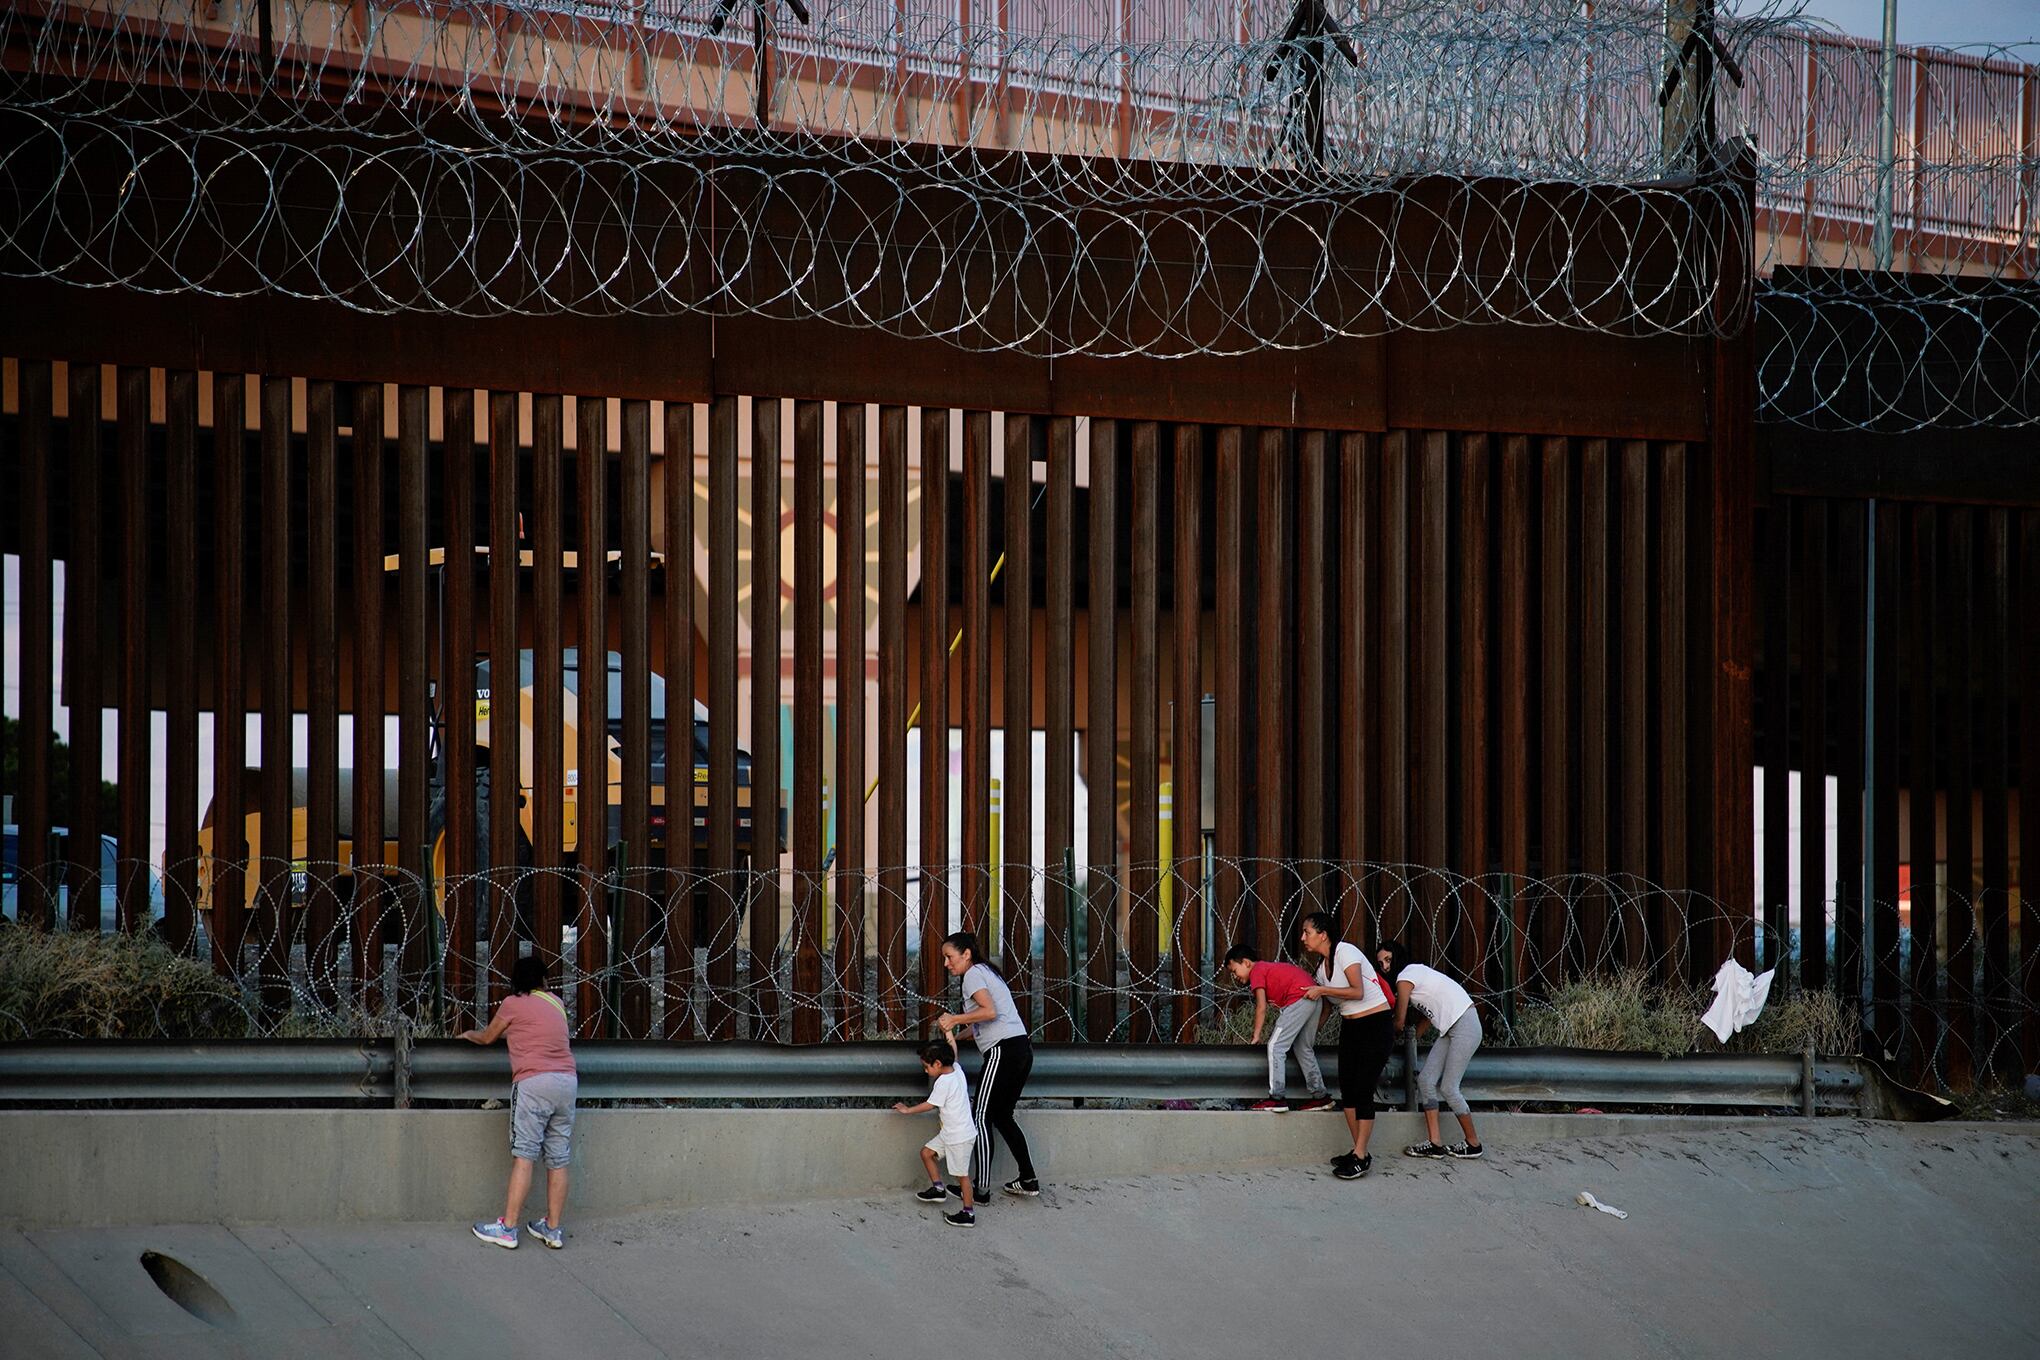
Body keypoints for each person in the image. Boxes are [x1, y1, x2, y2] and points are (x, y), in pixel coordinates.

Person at [461, 954, 578, 1248]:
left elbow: (488, 1037)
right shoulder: (557, 1003)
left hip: (533, 1082)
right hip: (566, 1082)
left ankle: (508, 1228)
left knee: (524, 1156)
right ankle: (552, 1229)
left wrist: (468, 1035)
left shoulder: (513, 1003)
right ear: (543, 979)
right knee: (558, 1157)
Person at [934, 930, 1041, 1199]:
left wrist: (952, 1019)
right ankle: (1028, 1179)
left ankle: (979, 1188)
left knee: (980, 1116)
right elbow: (986, 1018)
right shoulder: (986, 972)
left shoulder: (972, 974)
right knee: (1003, 1116)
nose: (946, 964)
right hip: (1021, 1050)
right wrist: (957, 1036)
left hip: (1002, 1051)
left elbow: (989, 1012)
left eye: (949, 957)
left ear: (966, 954)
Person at [1298, 911, 1396, 1179]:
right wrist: (1310, 1034)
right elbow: (1328, 1008)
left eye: (1307, 932)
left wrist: (1322, 991)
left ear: (1323, 934)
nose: (1303, 937)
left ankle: (1361, 1156)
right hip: (1351, 1027)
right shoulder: (1321, 968)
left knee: (1363, 1088)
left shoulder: (1346, 952)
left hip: (1375, 1025)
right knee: (1348, 1089)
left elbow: (1357, 991)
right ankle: (1358, 1152)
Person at [1377, 940, 1485, 1160]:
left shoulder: (1405, 977)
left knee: (1449, 1088)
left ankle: (1473, 1144)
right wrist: (1415, 1036)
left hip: (1464, 1024)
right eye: (1381, 963)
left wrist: (1381, 1036)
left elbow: (1399, 1020)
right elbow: (1429, 1011)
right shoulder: (1417, 973)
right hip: (1451, 1028)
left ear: (1398, 956)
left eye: (1388, 959)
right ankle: (1435, 1143)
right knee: (1426, 1080)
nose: (1385, 966)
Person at [1222, 943, 1332, 1113]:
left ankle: (1276, 1098)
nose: (1234, 976)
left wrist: (1256, 1035)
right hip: (1312, 996)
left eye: (1234, 971)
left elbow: (1261, 1007)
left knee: (1275, 1046)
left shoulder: (1257, 970)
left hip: (1299, 998)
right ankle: (1320, 1096)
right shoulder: (1267, 969)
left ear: (1246, 963)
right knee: (1304, 1048)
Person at [892, 1033, 979, 1228]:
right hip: (950, 1133)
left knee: (962, 1176)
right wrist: (948, 1032)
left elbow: (930, 1105)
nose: (925, 1070)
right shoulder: (956, 1069)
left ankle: (968, 1213)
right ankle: (938, 1189)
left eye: (926, 1066)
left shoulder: (944, 1083)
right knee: (926, 1153)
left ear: (938, 1064)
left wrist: (908, 1110)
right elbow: (954, 1052)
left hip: (959, 1137)